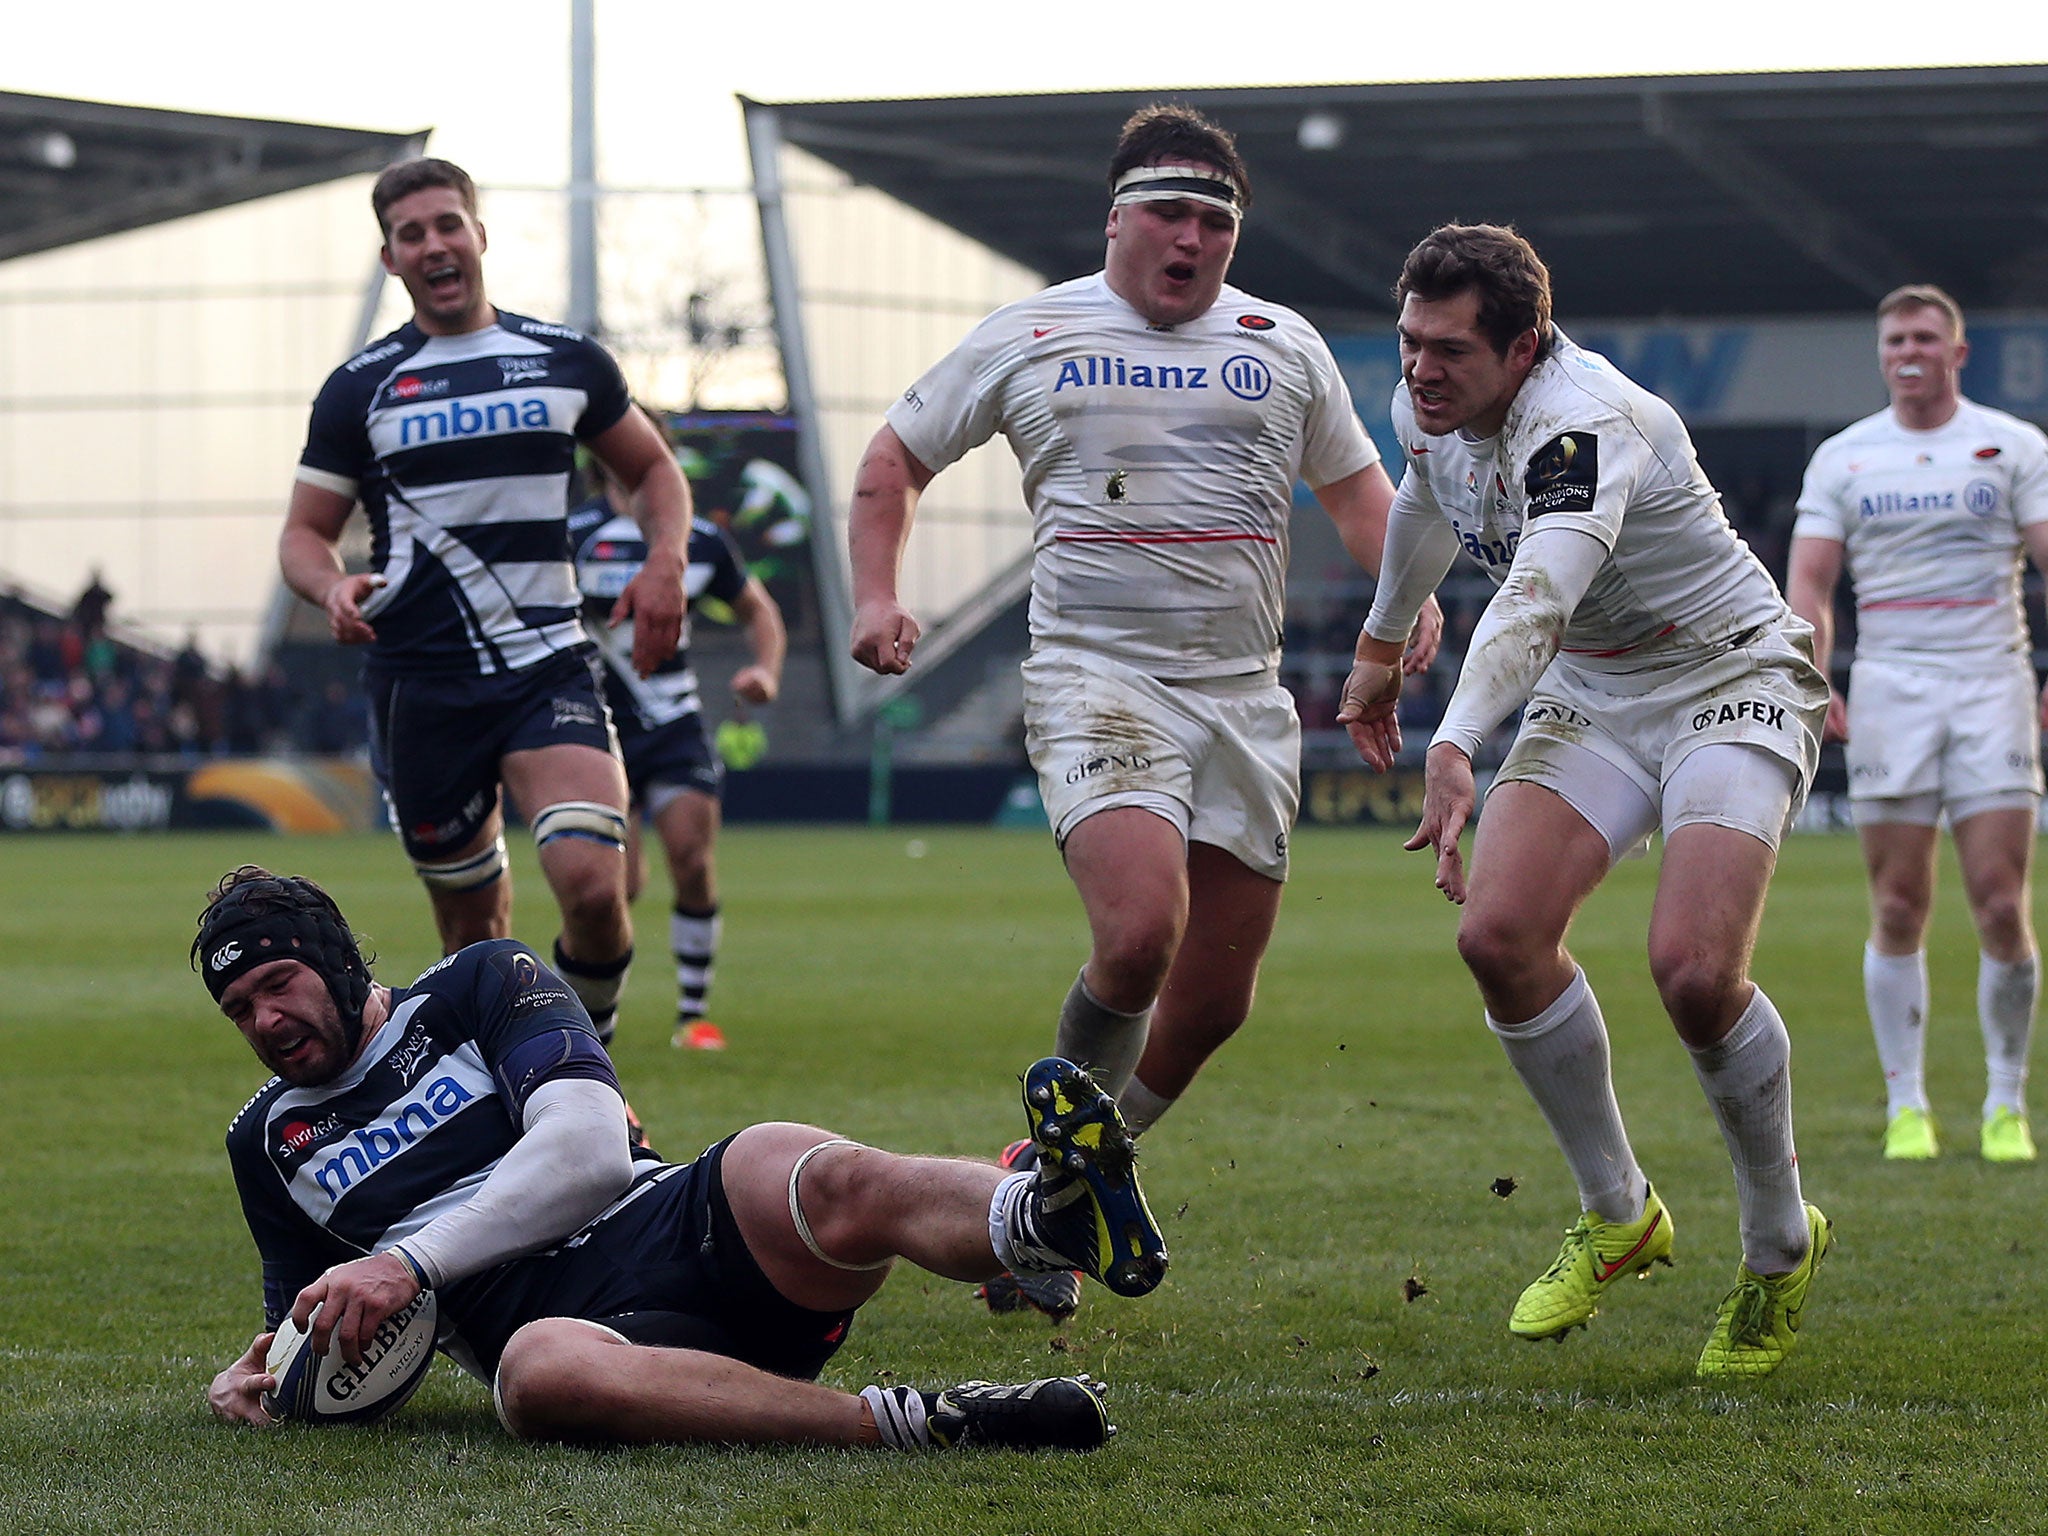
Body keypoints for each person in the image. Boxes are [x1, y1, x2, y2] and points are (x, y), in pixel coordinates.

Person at [847, 104, 1439, 1318]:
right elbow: (891, 462)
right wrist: (873, 593)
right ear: (1116, 220)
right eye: (1168, 213)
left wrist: (1407, 606)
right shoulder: (1031, 330)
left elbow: (1359, 496)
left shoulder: (1283, 344)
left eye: (1214, 221)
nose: (1192, 238)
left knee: (1215, 1000)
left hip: (1241, 694)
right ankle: (1056, 1197)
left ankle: (1051, 1195)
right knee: (1137, 935)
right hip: (1093, 676)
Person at [1339, 223, 1832, 1379]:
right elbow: (1417, 495)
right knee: (1498, 937)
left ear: (1523, 350)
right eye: (1408, 342)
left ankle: (1775, 1243)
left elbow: (1535, 600)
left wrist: (1455, 742)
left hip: (1728, 673)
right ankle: (1619, 1211)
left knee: (1694, 974)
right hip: (1598, 690)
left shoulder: (1583, 424)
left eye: (1448, 350)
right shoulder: (1430, 404)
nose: (1418, 371)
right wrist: (1374, 640)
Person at [196, 865, 1167, 1450]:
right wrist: (257, 1378)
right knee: (535, 1380)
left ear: (335, 961)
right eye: (239, 1010)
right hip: (563, 1331)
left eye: (277, 985)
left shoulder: (480, 982)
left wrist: (407, 1261)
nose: (265, 1021)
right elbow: (304, 1319)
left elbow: (589, 1155)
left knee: (793, 1160)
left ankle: (1042, 1222)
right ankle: (922, 1421)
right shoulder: (265, 1141)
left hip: (669, 1219)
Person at [278, 156, 691, 1043]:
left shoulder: (564, 359)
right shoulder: (361, 388)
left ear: (479, 234)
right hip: (420, 684)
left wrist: (666, 562)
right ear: (391, 258)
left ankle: (590, 1072)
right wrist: (330, 584)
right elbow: (303, 536)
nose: (434, 244)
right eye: (411, 233)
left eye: (446, 225)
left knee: (592, 883)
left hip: (547, 662)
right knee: (474, 934)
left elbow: (653, 469)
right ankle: (515, 1101)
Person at [1786, 285, 2048, 1164]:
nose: (1909, 348)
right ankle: (1908, 1106)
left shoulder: (2013, 447)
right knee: (1898, 904)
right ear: (1881, 351)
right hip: (1893, 685)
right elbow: (1811, 588)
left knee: (2002, 904)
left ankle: (2005, 1102)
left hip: (1991, 682)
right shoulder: (1846, 457)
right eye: (1895, 336)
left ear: (1956, 352)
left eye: (1926, 336)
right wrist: (1814, 680)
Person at [569, 443, 788, 1050]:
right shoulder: (574, 535)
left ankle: (693, 1014)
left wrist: (764, 672)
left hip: (674, 721)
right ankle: (587, 1020)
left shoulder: (700, 540)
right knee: (618, 885)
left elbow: (759, 611)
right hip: (594, 726)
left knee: (692, 859)